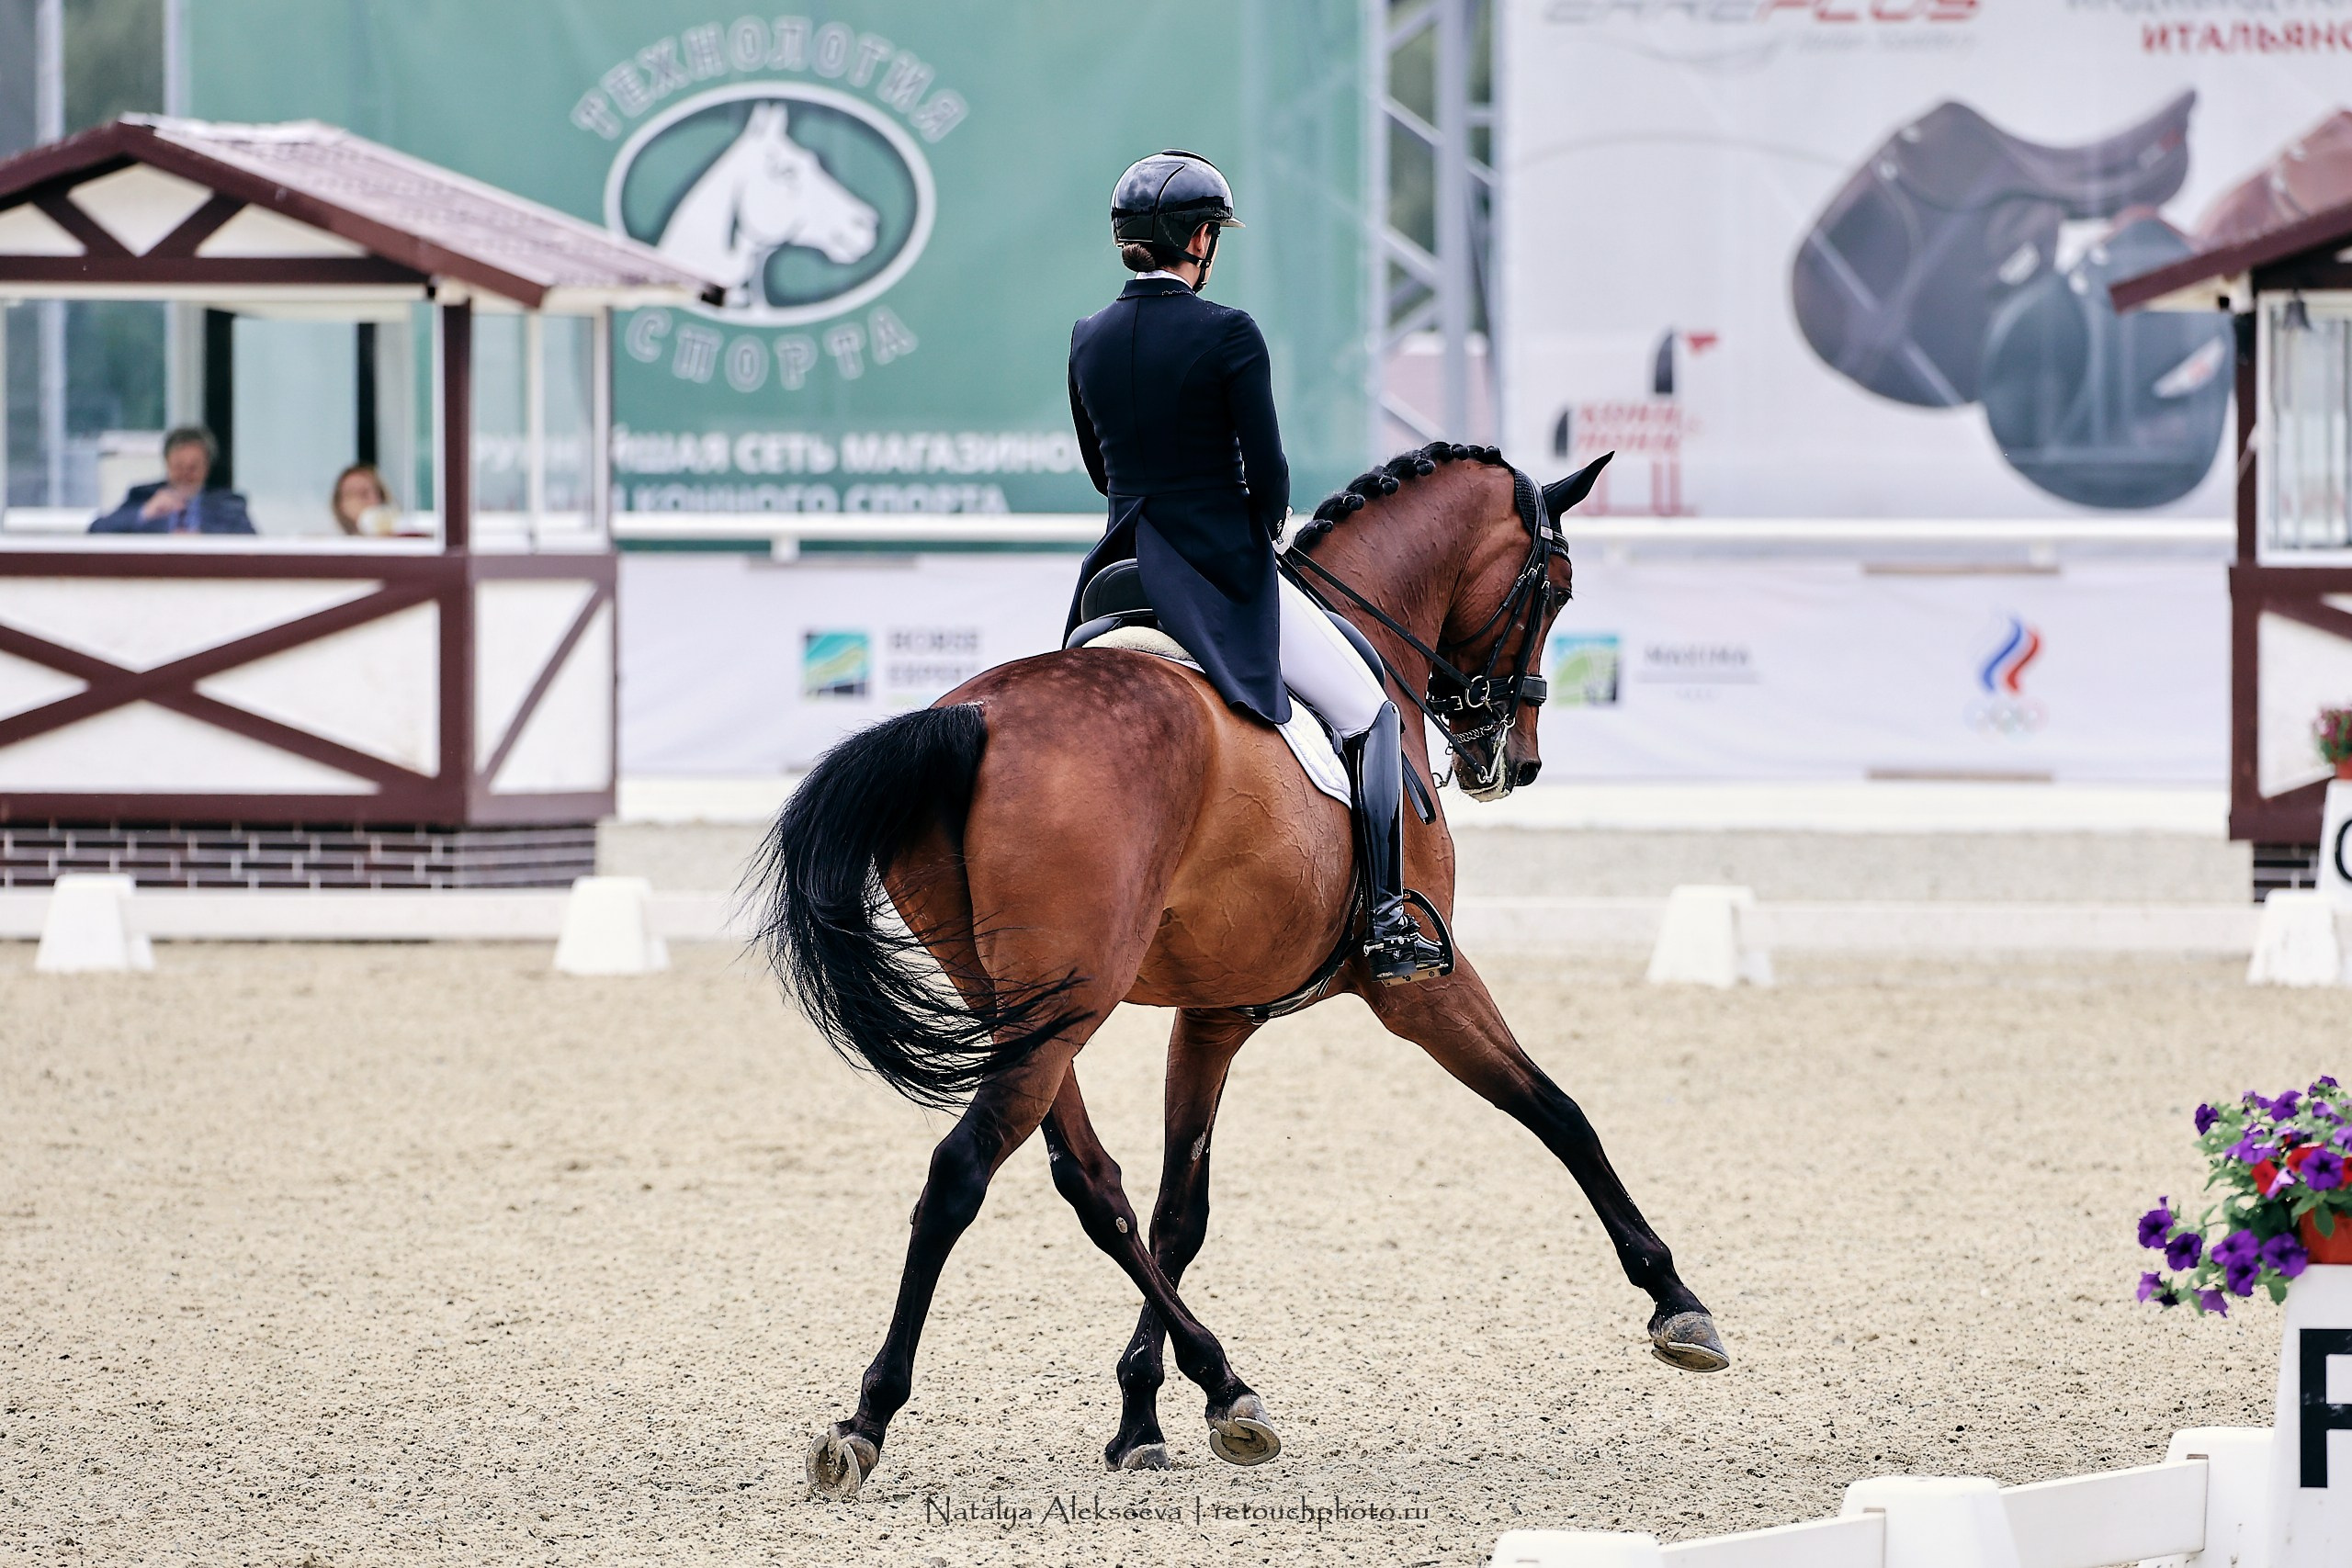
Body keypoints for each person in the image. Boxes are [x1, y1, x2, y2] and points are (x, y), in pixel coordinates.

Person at [1063, 149, 1448, 986]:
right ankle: (1385, 919)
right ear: (1200, 239)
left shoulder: (1087, 337)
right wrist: (1257, 526)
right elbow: (1267, 476)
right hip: (1214, 572)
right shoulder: (1228, 332)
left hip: (1116, 574)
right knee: (1371, 711)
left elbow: (1102, 468)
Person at [89, 427, 254, 535]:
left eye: (193, 467)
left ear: (207, 467)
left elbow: (250, 540)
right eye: (178, 466)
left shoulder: (228, 502)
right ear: (167, 464)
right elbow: (96, 531)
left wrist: (203, 536)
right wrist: (145, 512)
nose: (185, 474)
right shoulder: (142, 495)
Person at [330, 463, 400, 536]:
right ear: (340, 504)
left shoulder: (400, 539)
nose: (358, 501)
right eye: (351, 493)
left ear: (381, 497)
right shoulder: (329, 542)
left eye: (364, 493)